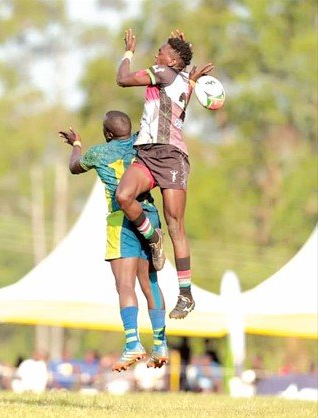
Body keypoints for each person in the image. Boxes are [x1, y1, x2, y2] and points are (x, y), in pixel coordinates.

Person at [115, 28, 214, 320]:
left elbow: (122, 79)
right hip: (146, 152)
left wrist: (128, 52)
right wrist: (183, 50)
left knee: (176, 225)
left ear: (170, 61)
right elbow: (181, 87)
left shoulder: (164, 73)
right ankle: (152, 237)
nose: (157, 54)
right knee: (125, 195)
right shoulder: (183, 79)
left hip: (171, 157)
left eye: (161, 51)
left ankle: (185, 294)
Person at [59, 110, 168, 371]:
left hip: (122, 221)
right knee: (150, 282)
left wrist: (76, 144)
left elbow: (74, 167)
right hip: (148, 215)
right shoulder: (140, 143)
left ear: (107, 134)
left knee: (125, 284)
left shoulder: (99, 153)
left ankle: (133, 343)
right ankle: (161, 343)